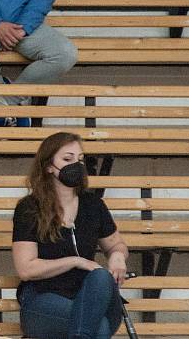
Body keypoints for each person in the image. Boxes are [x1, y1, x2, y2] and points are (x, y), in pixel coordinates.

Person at [12, 132, 129, 339]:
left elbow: (115, 244)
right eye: (68, 159)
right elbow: (26, 269)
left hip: (89, 297)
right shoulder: (29, 208)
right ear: (49, 166)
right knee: (98, 328)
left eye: (80, 160)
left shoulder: (93, 205)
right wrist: (76, 261)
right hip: (43, 300)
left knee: (101, 276)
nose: (77, 165)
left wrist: (118, 256)